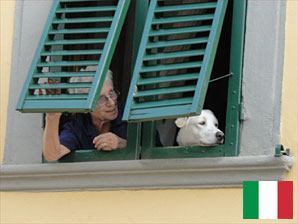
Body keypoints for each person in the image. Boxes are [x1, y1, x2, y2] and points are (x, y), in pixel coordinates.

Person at [43, 70, 127, 162]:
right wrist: (52, 117)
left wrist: (121, 143)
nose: (111, 103)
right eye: (101, 99)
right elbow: (53, 155)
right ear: (85, 105)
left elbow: (144, 150)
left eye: (111, 93)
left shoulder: (130, 114)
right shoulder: (78, 127)